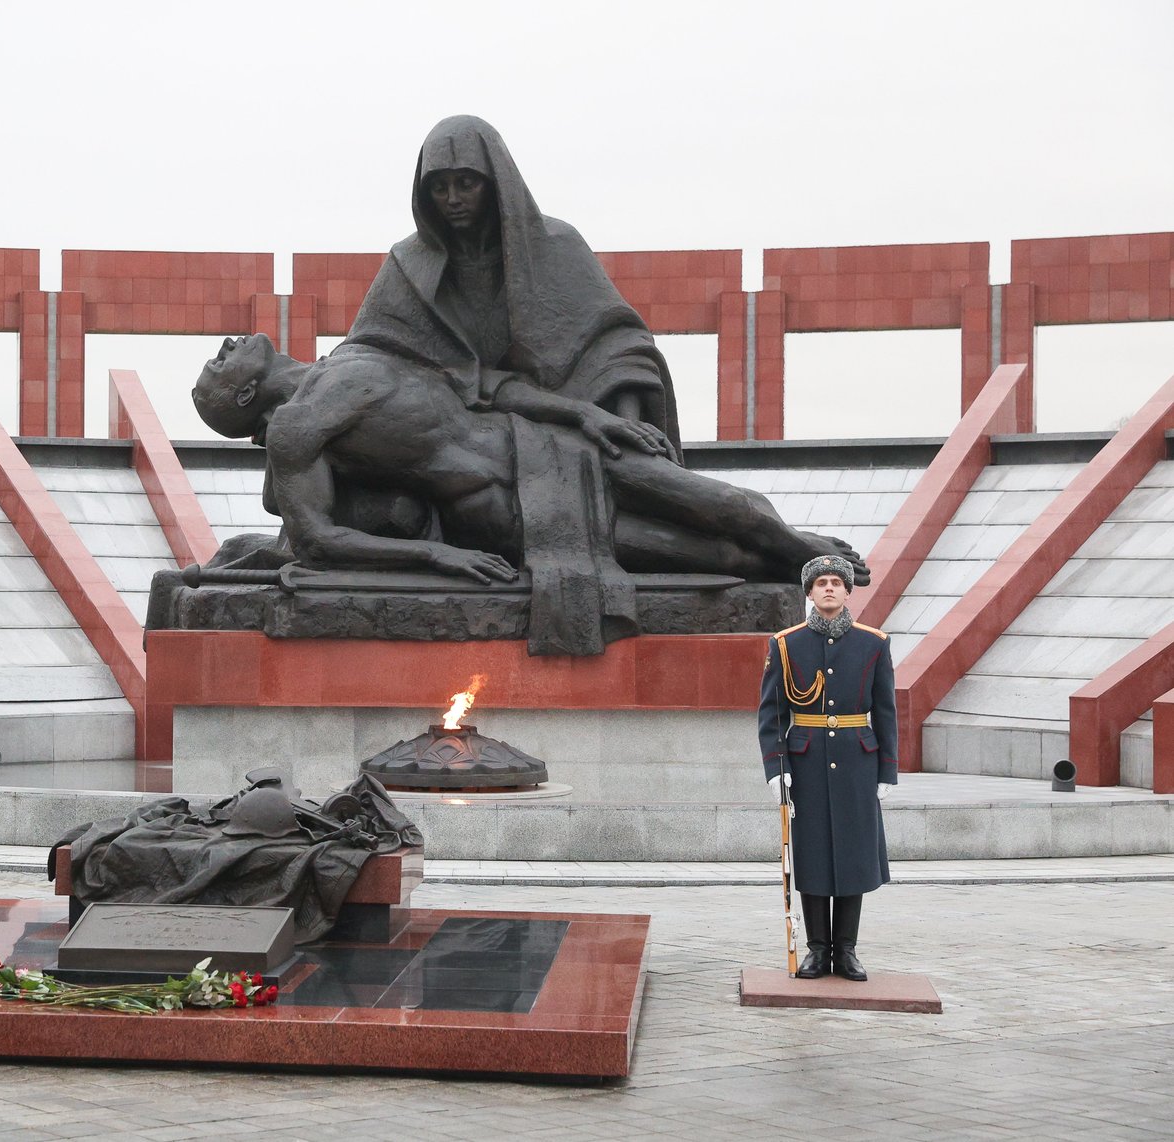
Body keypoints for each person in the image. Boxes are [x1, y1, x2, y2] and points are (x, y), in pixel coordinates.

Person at [192, 332, 864, 609]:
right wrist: (437, 557)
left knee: (733, 504)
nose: (223, 347)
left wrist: (585, 416)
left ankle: (805, 552)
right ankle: (808, 572)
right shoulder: (295, 431)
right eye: (217, 367)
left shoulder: (361, 348)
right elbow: (317, 543)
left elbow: (491, 386)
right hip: (506, 512)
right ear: (244, 399)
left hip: (548, 445)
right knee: (705, 551)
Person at [344, 114, 681, 465]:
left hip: (561, 426)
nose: (452, 198)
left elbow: (621, 351)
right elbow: (361, 355)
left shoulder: (557, 246)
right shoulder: (408, 266)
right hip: (455, 437)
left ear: (495, 182)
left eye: (466, 183)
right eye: (439, 187)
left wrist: (627, 434)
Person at [757, 555, 898, 981]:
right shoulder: (786, 644)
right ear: (810, 592)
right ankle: (818, 950)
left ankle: (848, 950)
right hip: (806, 764)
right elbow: (773, 713)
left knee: (854, 855)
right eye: (821, 583)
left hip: (858, 761)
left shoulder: (874, 643)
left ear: (848, 590)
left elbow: (886, 711)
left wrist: (887, 771)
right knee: (813, 854)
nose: (830, 589)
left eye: (837, 582)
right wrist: (776, 766)